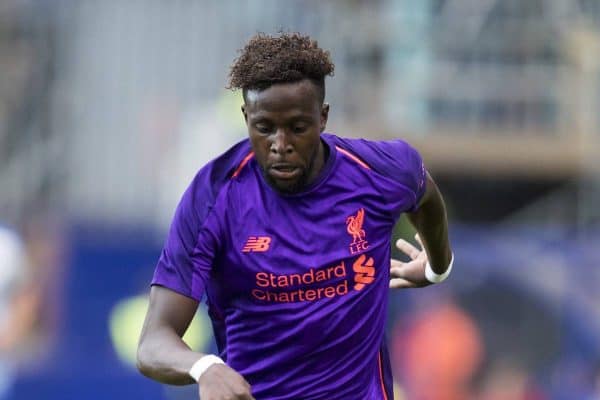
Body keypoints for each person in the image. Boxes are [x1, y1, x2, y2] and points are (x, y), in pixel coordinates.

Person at [137, 32, 453, 400]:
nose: (280, 144)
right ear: (246, 117)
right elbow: (153, 342)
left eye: (297, 128)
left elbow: (425, 195)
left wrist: (437, 266)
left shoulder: (380, 171)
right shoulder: (212, 198)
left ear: (323, 117)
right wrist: (205, 367)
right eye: (264, 127)